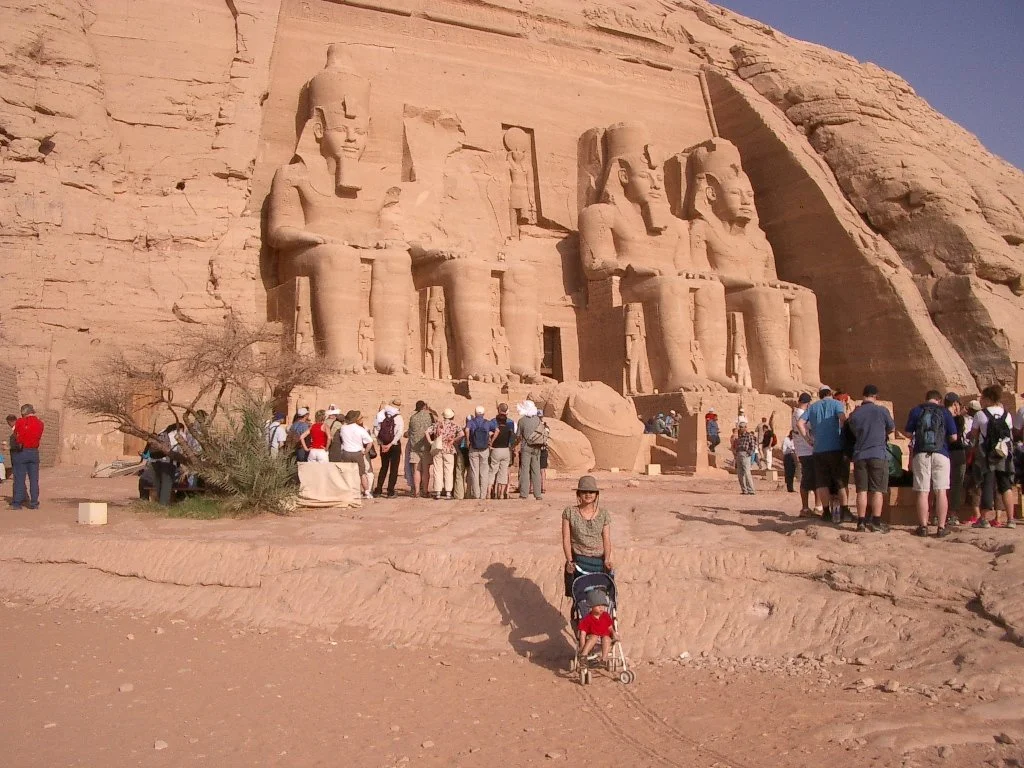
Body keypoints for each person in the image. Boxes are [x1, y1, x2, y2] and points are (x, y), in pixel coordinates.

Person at [905, 389, 959, 537]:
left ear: (926, 398)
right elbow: (954, 436)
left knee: (923, 491)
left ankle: (923, 526)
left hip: (921, 453)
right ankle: (941, 527)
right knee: (941, 491)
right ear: (939, 400)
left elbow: (908, 434)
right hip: (941, 453)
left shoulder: (916, 410)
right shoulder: (945, 412)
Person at [797, 386, 850, 524]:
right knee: (840, 481)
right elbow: (842, 418)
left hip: (818, 449)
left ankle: (826, 512)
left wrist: (807, 438)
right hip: (835, 447)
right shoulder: (836, 404)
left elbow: (800, 422)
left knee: (822, 482)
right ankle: (844, 511)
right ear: (830, 394)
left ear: (819, 395)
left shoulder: (812, 407)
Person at [847, 385, 895, 533]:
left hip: (860, 454)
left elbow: (852, 431)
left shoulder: (856, 414)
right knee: (877, 490)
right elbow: (891, 428)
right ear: (876, 396)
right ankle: (875, 522)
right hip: (878, 453)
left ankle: (860, 522)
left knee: (861, 490)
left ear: (863, 396)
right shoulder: (882, 411)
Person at [971, 384, 1015, 529]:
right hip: (1003, 453)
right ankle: (1010, 520)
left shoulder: (980, 414)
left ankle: (983, 519)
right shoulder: (1007, 414)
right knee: (1005, 485)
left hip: (987, 453)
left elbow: (974, 435)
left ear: (989, 398)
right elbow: (1010, 435)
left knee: (987, 484)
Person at [561, 476, 613, 597]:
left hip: (598, 562)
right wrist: (569, 560)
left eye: (591, 491)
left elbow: (606, 539)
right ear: (578, 494)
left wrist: (607, 559)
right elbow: (566, 539)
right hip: (579, 561)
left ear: (596, 494)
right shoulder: (569, 512)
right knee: (579, 599)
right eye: (584, 491)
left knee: (599, 600)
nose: (588, 494)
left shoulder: (604, 514)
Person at [331, 410, 374, 499]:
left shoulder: (343, 428)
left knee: (348, 473)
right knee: (362, 473)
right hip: (357, 453)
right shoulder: (360, 429)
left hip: (346, 453)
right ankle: (366, 491)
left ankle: (349, 491)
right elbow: (370, 441)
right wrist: (365, 452)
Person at [10, 404, 44, 510]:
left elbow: (16, 434)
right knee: (34, 479)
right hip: (34, 452)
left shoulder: (20, 421)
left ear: (24, 412)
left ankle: (17, 503)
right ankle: (34, 503)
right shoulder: (40, 423)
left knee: (20, 478)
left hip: (22, 451)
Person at [426, 408, 460, 499]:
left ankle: (438, 492)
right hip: (449, 449)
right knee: (448, 471)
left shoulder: (437, 424)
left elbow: (427, 432)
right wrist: (453, 440)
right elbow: (462, 434)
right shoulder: (454, 425)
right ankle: (448, 492)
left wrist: (431, 442)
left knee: (437, 470)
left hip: (438, 448)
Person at [792, 393, 817, 516]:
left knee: (812, 478)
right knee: (808, 478)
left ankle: (815, 506)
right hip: (806, 450)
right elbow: (811, 426)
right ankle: (806, 508)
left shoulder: (796, 413)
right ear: (808, 403)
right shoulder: (801, 414)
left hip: (803, 450)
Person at [577, 590, 616, 668]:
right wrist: (582, 645)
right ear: (591, 606)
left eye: (603, 605)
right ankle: (583, 656)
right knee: (594, 637)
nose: (601, 607)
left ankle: (603, 660)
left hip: (604, 638)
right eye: (598, 606)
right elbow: (582, 633)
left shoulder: (606, 616)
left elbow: (610, 627)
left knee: (607, 638)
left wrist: (614, 634)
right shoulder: (587, 619)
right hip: (591, 640)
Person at [945, 392, 968, 525]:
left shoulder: (942, 416)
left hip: (945, 452)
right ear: (955, 404)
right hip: (958, 452)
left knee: (942, 484)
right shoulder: (959, 419)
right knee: (957, 485)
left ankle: (938, 514)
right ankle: (953, 514)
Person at [373, 401, 404, 498]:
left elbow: (376, 431)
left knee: (384, 467)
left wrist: (382, 444)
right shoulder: (398, 417)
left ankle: (378, 489)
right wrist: (391, 444)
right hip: (394, 445)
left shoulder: (380, 416)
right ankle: (390, 491)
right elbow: (399, 433)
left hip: (383, 444)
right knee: (394, 468)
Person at [465, 405, 496, 500]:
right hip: (484, 449)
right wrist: (491, 441)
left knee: (474, 472)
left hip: (473, 448)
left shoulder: (471, 422)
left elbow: (466, 430)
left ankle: (476, 494)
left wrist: (468, 441)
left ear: (475, 413)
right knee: (484, 472)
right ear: (483, 413)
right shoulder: (487, 422)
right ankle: (483, 495)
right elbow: (497, 430)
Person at [516, 400, 544, 500]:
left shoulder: (522, 421)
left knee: (525, 470)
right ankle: (538, 494)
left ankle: (524, 493)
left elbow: (518, 436)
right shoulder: (538, 420)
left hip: (526, 447)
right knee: (536, 470)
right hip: (537, 448)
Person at [488, 403, 516, 499]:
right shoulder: (511, 422)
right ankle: (504, 492)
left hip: (495, 448)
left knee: (493, 471)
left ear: (498, 409)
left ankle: (492, 492)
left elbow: (489, 434)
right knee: (504, 472)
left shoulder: (493, 421)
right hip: (507, 449)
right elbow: (512, 437)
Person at [406, 400, 434, 497]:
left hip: (415, 447)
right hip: (426, 447)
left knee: (416, 470)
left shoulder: (413, 418)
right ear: (424, 406)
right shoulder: (429, 416)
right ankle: (425, 491)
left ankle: (417, 491)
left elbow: (410, 431)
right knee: (426, 470)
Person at [731, 417, 756, 495]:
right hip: (739, 454)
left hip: (745, 454)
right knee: (740, 473)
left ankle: (751, 490)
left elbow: (753, 446)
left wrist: (749, 453)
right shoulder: (739, 437)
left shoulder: (749, 436)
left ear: (745, 428)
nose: (740, 428)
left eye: (742, 427)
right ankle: (744, 490)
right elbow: (736, 445)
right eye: (740, 427)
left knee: (747, 472)